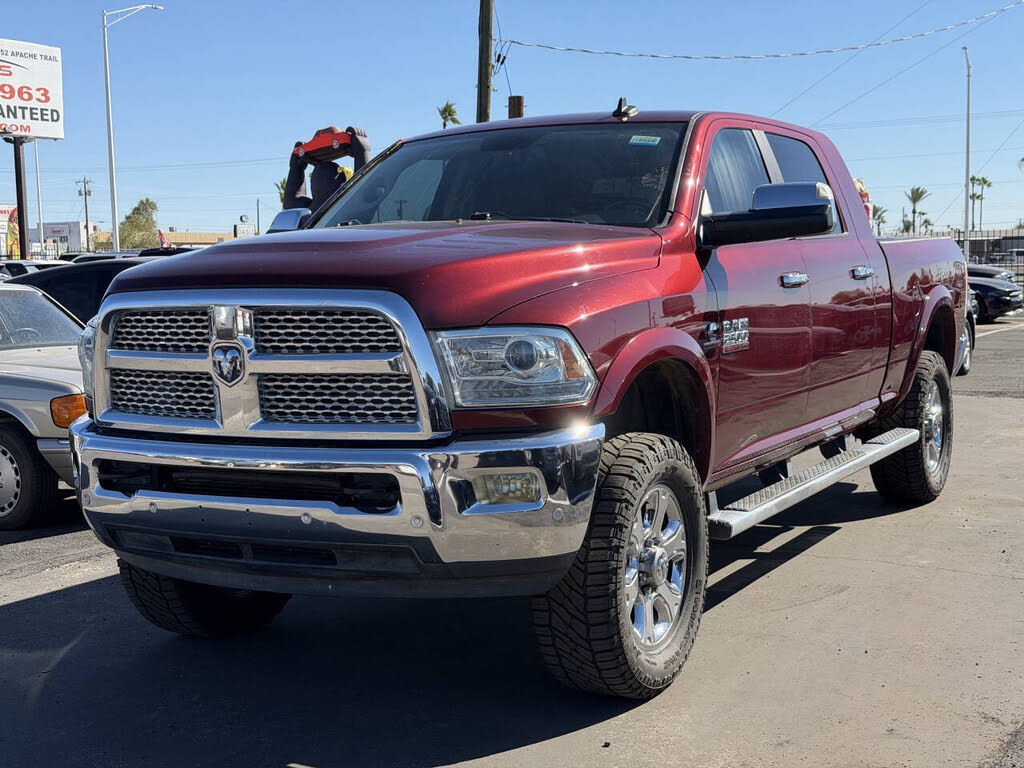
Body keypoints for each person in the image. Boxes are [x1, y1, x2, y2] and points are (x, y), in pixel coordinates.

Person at [282, 126, 370, 211]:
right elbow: (365, 193)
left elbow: (291, 199)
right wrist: (362, 151)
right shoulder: (346, 207)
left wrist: (296, 167)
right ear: (342, 179)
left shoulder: (306, 209)